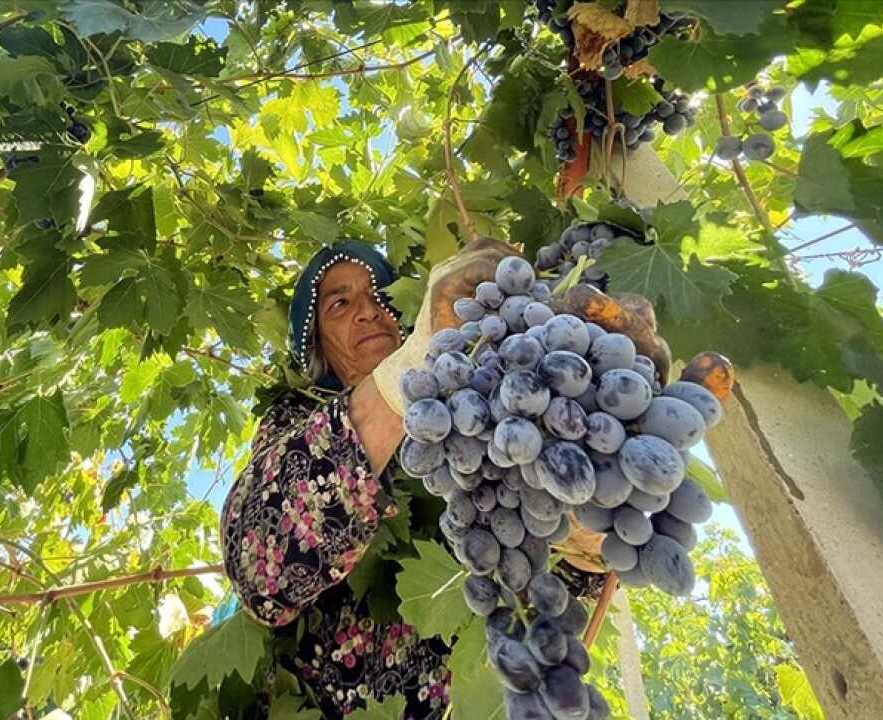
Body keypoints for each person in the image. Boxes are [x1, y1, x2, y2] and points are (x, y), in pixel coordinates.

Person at [219, 239, 603, 717]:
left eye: (382, 295)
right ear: (316, 344)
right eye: (340, 303)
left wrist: (590, 524)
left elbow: (541, 577)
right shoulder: (296, 421)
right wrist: (409, 370)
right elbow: (260, 564)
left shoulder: (479, 414)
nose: (369, 311)